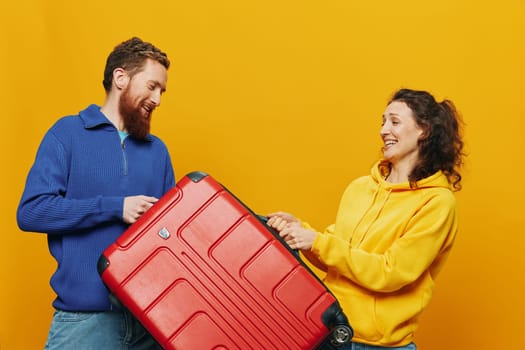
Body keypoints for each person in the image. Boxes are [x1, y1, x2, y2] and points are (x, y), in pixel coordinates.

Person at [267, 88, 465, 349]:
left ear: (424, 131)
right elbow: (337, 258)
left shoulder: (437, 203)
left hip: (378, 345)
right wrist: (299, 231)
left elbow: (390, 272)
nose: (384, 130)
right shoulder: (360, 187)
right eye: (383, 122)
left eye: (394, 122)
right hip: (331, 332)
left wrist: (316, 241)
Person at [17, 37, 175, 349]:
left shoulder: (157, 151)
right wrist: (115, 208)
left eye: (162, 91)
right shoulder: (67, 134)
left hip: (151, 323)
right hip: (85, 323)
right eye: (152, 86)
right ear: (121, 78)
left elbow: (174, 231)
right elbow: (32, 211)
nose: (158, 99)